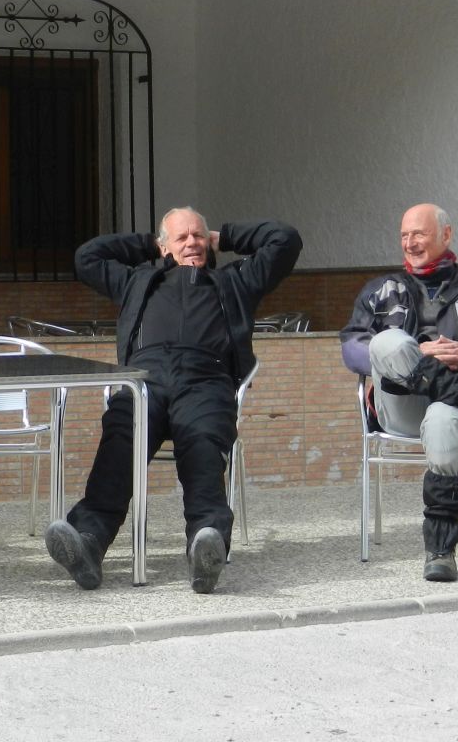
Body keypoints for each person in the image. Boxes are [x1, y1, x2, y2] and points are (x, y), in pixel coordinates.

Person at [44, 209, 302, 594]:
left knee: (202, 441)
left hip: (206, 378)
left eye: (198, 235)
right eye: (181, 238)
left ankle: (206, 544)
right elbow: (87, 257)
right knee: (121, 437)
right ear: (164, 247)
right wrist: (149, 244)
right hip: (145, 378)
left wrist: (225, 236)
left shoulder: (236, 281)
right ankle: (88, 543)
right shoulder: (136, 281)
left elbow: (286, 239)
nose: (192, 243)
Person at [340, 203, 458, 582]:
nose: (410, 242)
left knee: (444, 418)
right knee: (389, 341)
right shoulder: (381, 290)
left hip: (453, 414)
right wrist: (417, 352)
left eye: (419, 233)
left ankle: (441, 550)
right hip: (401, 405)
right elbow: (352, 349)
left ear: (446, 235)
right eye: (404, 235)